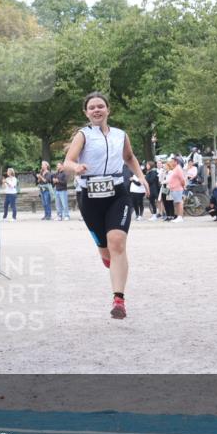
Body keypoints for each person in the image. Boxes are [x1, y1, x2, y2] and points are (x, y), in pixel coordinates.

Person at [62, 92, 148, 320]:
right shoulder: (83, 135)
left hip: (117, 194)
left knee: (117, 243)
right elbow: (67, 162)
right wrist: (76, 168)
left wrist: (141, 176)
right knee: (105, 249)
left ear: (108, 110)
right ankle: (106, 254)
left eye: (100, 106)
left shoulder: (121, 135)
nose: (97, 110)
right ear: (86, 113)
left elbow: (129, 157)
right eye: (92, 108)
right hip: (89, 196)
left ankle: (118, 300)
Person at [165, 156, 186, 223]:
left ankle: (180, 217)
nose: (171, 163)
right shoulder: (175, 168)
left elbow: (182, 179)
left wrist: (183, 186)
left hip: (177, 188)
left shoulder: (178, 168)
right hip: (174, 188)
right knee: (177, 203)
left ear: (176, 162)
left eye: (172, 161)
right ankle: (178, 216)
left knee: (179, 202)